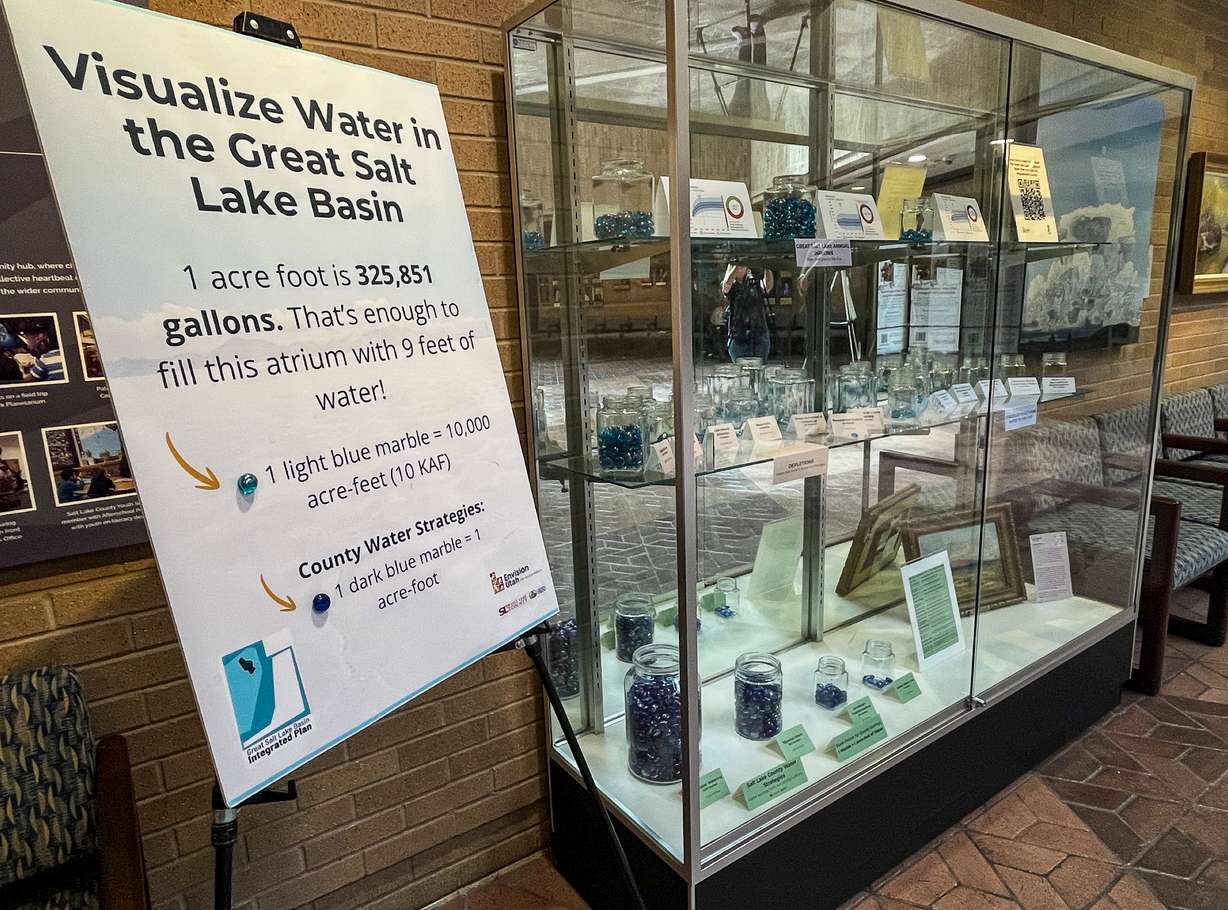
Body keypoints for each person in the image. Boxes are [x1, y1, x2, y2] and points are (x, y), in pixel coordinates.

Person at [722, 261, 773, 361]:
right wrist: (738, 263)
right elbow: (726, 284)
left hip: (759, 334)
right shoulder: (732, 287)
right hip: (738, 336)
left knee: (759, 370)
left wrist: (767, 265)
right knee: (741, 371)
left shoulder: (755, 283)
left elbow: (767, 286)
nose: (740, 268)